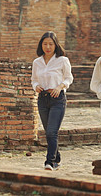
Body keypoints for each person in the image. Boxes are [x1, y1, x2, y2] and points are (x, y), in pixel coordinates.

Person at [31, 31, 73, 171]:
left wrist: (60, 86)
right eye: (45, 44)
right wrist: (36, 86)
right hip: (42, 99)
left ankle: (50, 162)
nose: (48, 47)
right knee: (49, 132)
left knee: (51, 132)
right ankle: (58, 158)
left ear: (55, 45)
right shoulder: (37, 62)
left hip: (57, 99)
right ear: (41, 45)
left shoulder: (62, 60)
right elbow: (34, 80)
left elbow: (69, 78)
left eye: (50, 44)